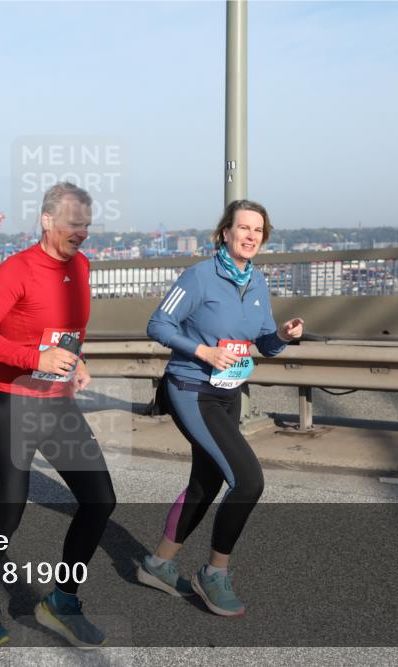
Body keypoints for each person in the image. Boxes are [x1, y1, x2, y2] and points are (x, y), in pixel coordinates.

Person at [0, 182, 116, 648]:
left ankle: (61, 601)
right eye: (73, 222)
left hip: (57, 401)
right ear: (47, 221)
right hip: (12, 399)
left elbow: (68, 328)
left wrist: (76, 358)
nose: (82, 232)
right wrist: (35, 359)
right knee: (8, 511)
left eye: (87, 223)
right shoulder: (17, 269)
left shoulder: (81, 266)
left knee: (100, 500)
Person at [138, 199, 303, 616]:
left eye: (257, 230)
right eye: (242, 228)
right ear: (224, 233)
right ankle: (215, 573)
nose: (250, 236)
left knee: (205, 482)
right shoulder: (199, 277)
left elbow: (264, 342)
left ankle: (158, 564)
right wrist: (203, 353)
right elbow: (158, 325)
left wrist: (282, 334)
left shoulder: (258, 283)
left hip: (228, 392)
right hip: (191, 388)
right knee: (248, 481)